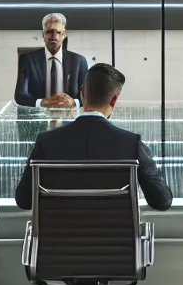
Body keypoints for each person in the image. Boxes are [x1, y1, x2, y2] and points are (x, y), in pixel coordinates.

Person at [15, 64, 173, 212]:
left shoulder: (46, 142)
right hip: (117, 239)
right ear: (113, 100)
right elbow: (162, 201)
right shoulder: (132, 144)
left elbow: (24, 200)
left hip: (59, 238)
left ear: (82, 96)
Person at [15, 12, 87, 108]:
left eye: (58, 32)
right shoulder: (28, 60)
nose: (54, 37)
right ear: (43, 34)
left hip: (70, 119)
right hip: (39, 118)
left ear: (64, 35)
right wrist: (42, 103)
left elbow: (88, 96)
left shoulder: (79, 61)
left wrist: (74, 103)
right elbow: (20, 96)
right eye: (49, 32)